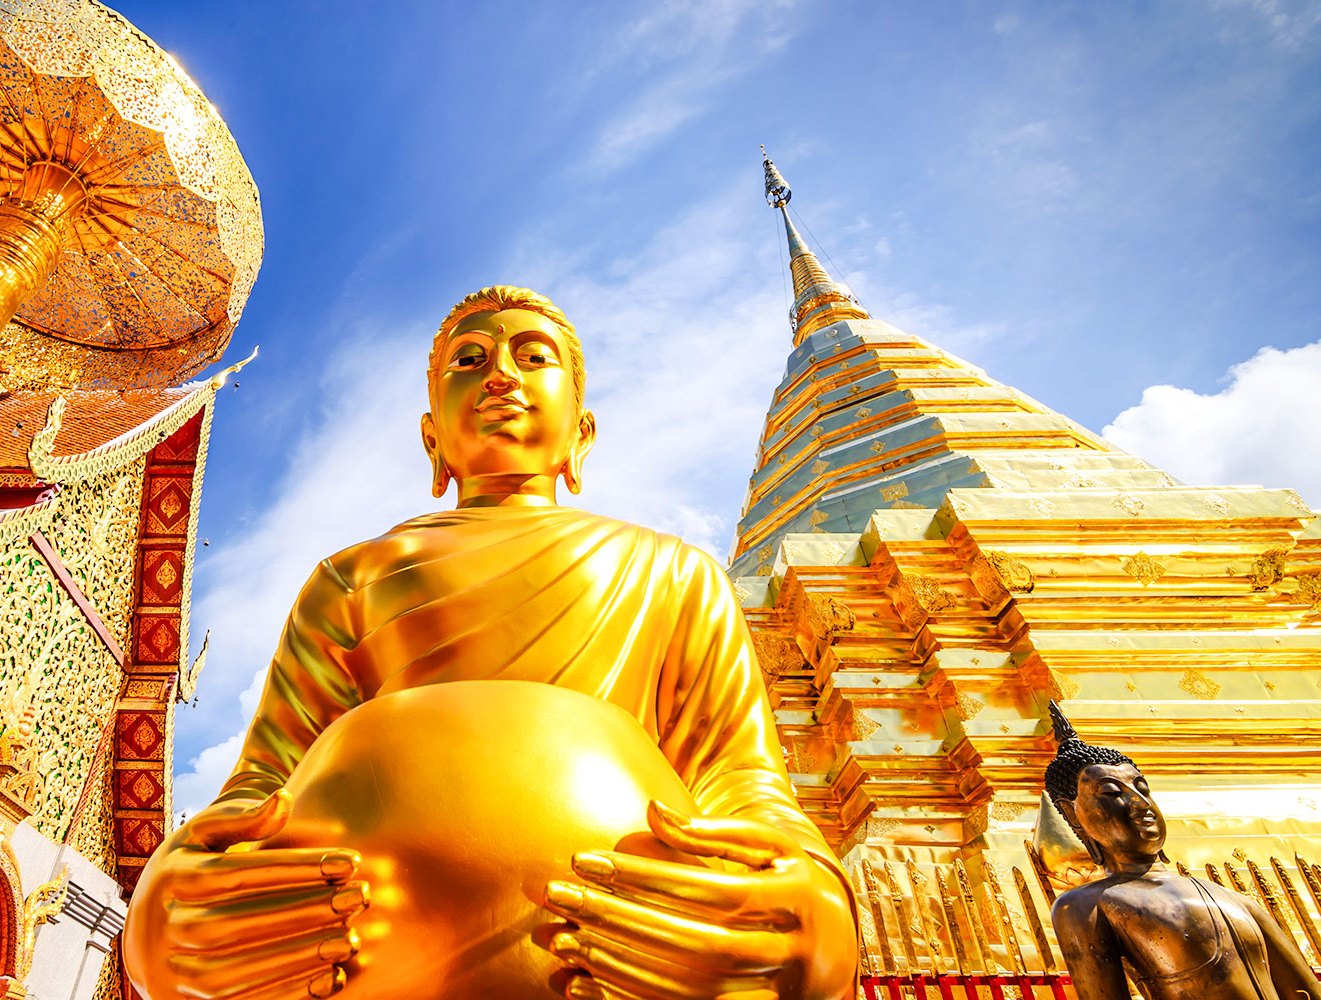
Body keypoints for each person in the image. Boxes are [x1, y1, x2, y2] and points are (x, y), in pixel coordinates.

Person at [124, 286, 858, 1000]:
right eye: (468, 362)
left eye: (533, 357)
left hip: (626, 967)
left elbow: (744, 785)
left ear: (583, 430)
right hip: (352, 968)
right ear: (431, 435)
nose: (501, 374)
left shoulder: (671, 572)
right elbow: (259, 794)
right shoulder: (355, 578)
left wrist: (811, 913)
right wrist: (164, 911)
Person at [1046, 702, 1319, 1000]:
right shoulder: (1086, 905)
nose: (1141, 803)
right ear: (1072, 814)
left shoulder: (1233, 899)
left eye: (1143, 789)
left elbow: (1305, 989)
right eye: (1112, 792)